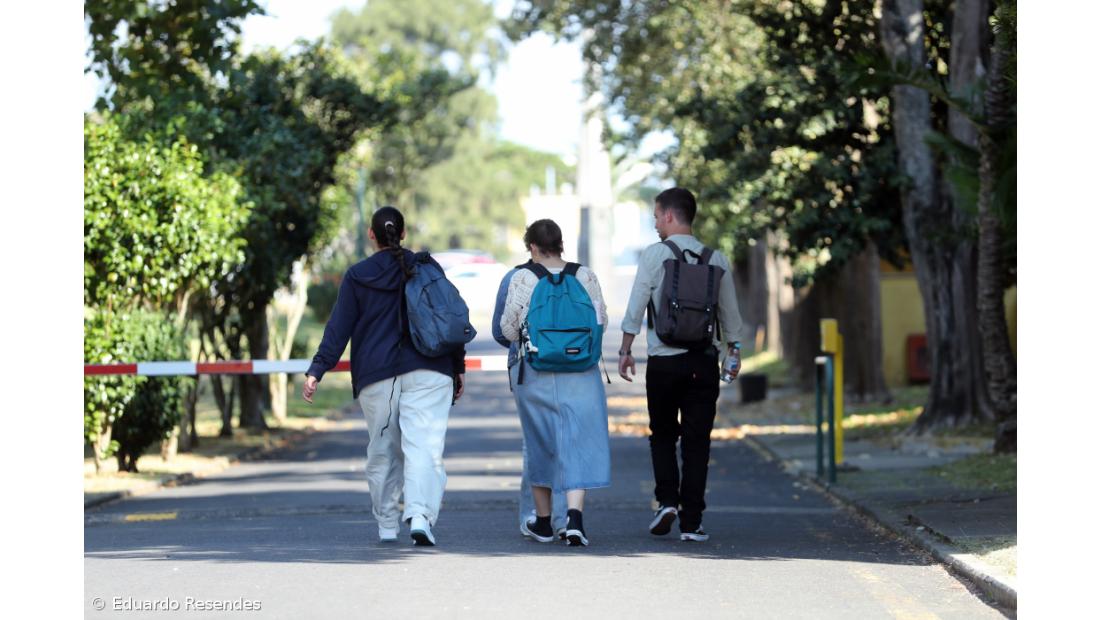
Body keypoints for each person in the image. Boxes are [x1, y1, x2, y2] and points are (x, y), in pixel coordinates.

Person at [302, 206, 465, 547]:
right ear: (403, 233)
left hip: (378, 376)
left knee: (382, 451)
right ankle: (420, 515)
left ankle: (387, 525)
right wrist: (458, 365)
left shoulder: (358, 275)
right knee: (424, 448)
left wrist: (318, 370)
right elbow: (449, 316)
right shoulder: (427, 267)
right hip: (430, 369)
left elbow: (338, 328)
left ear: (371, 235)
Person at [618, 187, 744, 542]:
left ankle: (667, 502)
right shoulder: (716, 259)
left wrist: (626, 348)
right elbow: (729, 314)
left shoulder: (655, 254)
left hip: (663, 363)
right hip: (702, 363)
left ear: (670, 215)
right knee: (697, 442)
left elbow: (637, 302)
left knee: (662, 436)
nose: (656, 223)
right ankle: (693, 522)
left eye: (657, 216)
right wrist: (733, 352)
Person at [499, 219, 610, 546]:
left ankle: (544, 522)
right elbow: (600, 319)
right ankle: (574, 519)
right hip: (581, 371)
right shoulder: (585, 276)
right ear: (561, 244)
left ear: (532, 246)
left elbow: (507, 329)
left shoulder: (523, 277)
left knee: (541, 442)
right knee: (578, 440)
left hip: (536, 372)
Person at [492, 261, 568, 540]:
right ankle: (564, 518)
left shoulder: (515, 277)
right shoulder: (576, 275)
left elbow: (501, 331)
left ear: (532, 247)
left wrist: (529, 340)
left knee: (534, 441)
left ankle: (534, 515)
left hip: (527, 366)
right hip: (571, 366)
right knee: (563, 438)